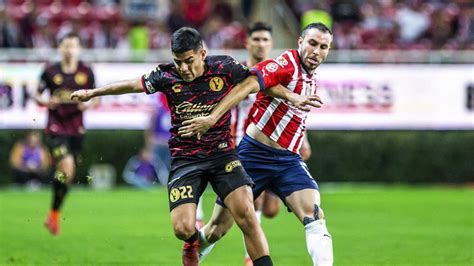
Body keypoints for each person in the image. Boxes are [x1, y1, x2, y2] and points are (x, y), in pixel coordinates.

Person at [70, 27, 318, 266]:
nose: (184, 68)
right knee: (183, 228)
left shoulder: (225, 67)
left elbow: (259, 81)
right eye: (178, 62)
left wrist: (292, 96)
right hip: (186, 160)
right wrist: (93, 93)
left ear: (202, 53)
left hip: (223, 155)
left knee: (247, 213)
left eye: (189, 60)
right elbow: (131, 84)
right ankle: (191, 243)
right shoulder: (166, 75)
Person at [179, 22, 333, 266]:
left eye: (324, 47)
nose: (317, 51)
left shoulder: (310, 76)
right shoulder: (286, 63)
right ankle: (193, 251)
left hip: (288, 161)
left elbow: (294, 113)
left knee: (314, 217)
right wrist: (212, 117)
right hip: (252, 155)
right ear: (300, 42)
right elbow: (250, 84)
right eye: (313, 43)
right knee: (217, 229)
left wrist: (302, 138)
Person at [233, 21, 314, 266]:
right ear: (247, 42)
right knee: (252, 202)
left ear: (271, 43)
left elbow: (295, 107)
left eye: (265, 40)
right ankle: (251, 257)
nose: (260, 44)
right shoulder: (238, 73)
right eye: (255, 39)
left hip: (278, 146)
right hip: (244, 143)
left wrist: (303, 139)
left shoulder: (279, 72)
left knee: (271, 210)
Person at [34, 32, 97, 235]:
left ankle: (53, 214)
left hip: (76, 127)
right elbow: (36, 93)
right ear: (60, 48)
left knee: (67, 175)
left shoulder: (86, 72)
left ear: (79, 48)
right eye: (66, 46)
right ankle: (53, 214)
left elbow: (96, 97)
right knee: (67, 165)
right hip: (56, 125)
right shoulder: (50, 71)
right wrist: (45, 101)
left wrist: (88, 105)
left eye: (73, 46)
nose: (70, 50)